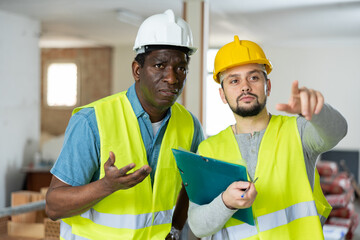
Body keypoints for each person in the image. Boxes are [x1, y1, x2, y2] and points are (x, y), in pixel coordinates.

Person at [45, 9, 204, 240]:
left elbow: (191, 187)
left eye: (181, 68)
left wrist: (176, 228)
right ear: (137, 70)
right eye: (160, 66)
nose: (172, 78)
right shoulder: (92, 121)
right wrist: (106, 186)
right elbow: (53, 206)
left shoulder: (190, 125)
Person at [187, 36, 347, 239]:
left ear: (267, 86)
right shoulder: (208, 150)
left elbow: (337, 131)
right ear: (222, 95)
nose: (245, 86)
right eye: (234, 80)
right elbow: (198, 226)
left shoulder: (297, 132)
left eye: (253, 78)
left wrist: (316, 111)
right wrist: (225, 201)